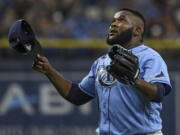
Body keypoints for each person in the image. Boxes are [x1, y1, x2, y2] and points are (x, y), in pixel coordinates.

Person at [32, 8, 171, 135]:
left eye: (121, 20)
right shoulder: (102, 62)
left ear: (137, 30)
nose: (114, 24)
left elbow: (158, 93)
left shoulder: (150, 57)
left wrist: (135, 80)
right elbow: (76, 95)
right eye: (113, 21)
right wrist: (49, 70)